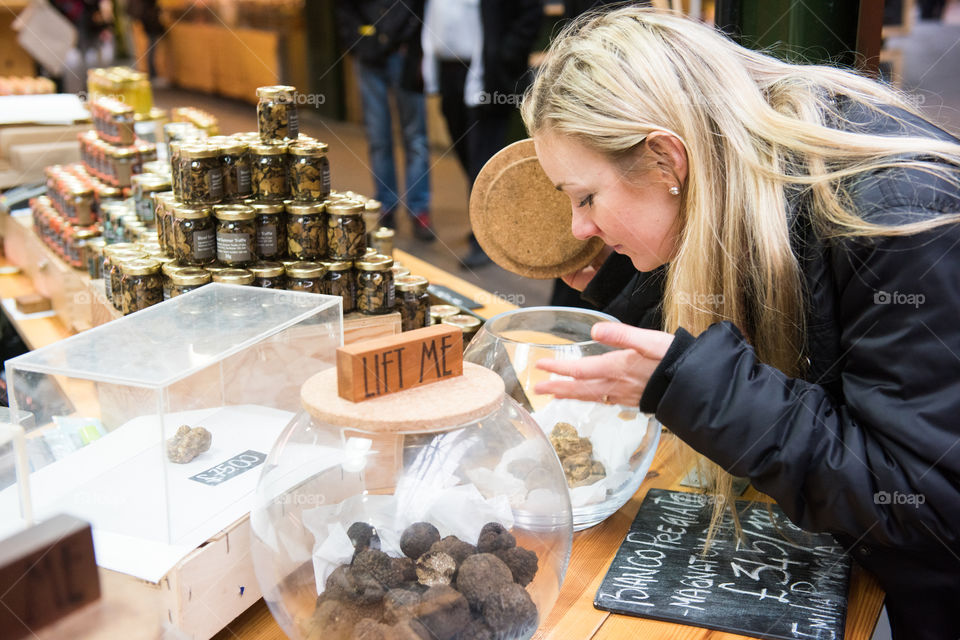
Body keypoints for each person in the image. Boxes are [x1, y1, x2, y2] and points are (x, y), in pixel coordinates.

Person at [521, 8, 960, 639]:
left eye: (586, 197)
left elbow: (924, 509)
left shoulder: (891, 218)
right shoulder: (744, 181)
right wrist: (625, 274)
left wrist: (706, 391)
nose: (577, 229)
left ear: (666, 161)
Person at [422, 0, 543, 267]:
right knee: (466, 153)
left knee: (483, 158)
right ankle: (490, 222)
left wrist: (505, 53)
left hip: (488, 74)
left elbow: (531, 12)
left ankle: (485, 240)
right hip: (449, 70)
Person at [336, 0, 434, 241]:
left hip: (405, 53)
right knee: (379, 136)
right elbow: (344, 10)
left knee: (415, 137)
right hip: (368, 58)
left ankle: (419, 209)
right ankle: (386, 204)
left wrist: (402, 40)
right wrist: (360, 44)